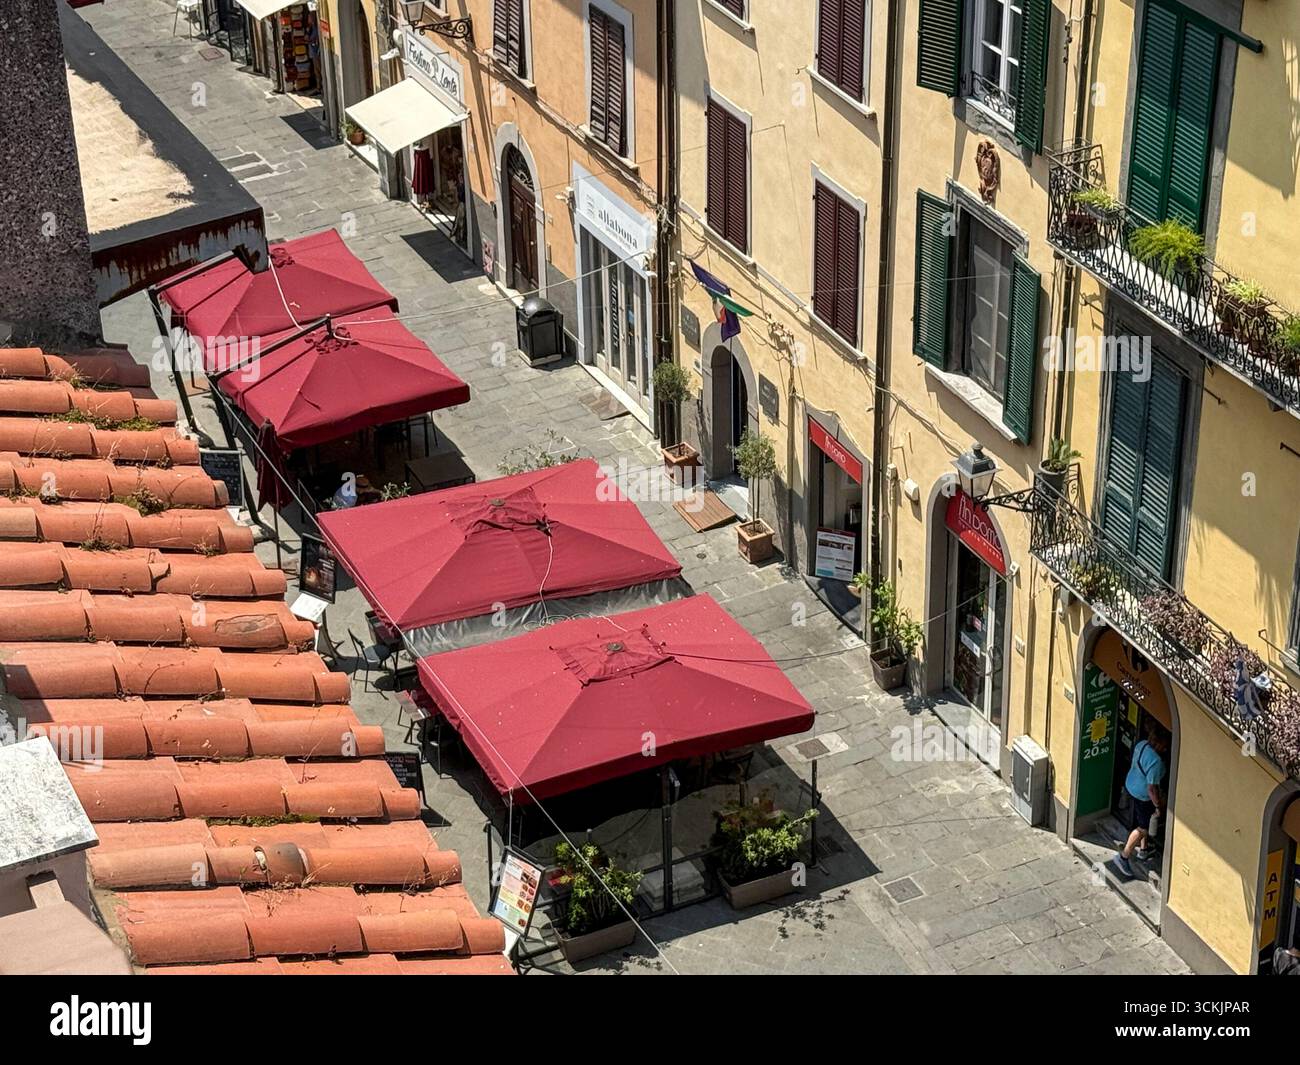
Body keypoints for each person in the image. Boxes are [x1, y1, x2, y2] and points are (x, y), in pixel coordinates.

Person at [1111, 723, 1169, 877]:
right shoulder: (1156, 762)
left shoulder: (1142, 745)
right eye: (1164, 746)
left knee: (1142, 819)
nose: (1166, 749)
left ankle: (1144, 850)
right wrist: (1158, 806)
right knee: (1143, 827)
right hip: (1143, 795)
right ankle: (1123, 856)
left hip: (1131, 784)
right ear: (1159, 744)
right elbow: (1152, 789)